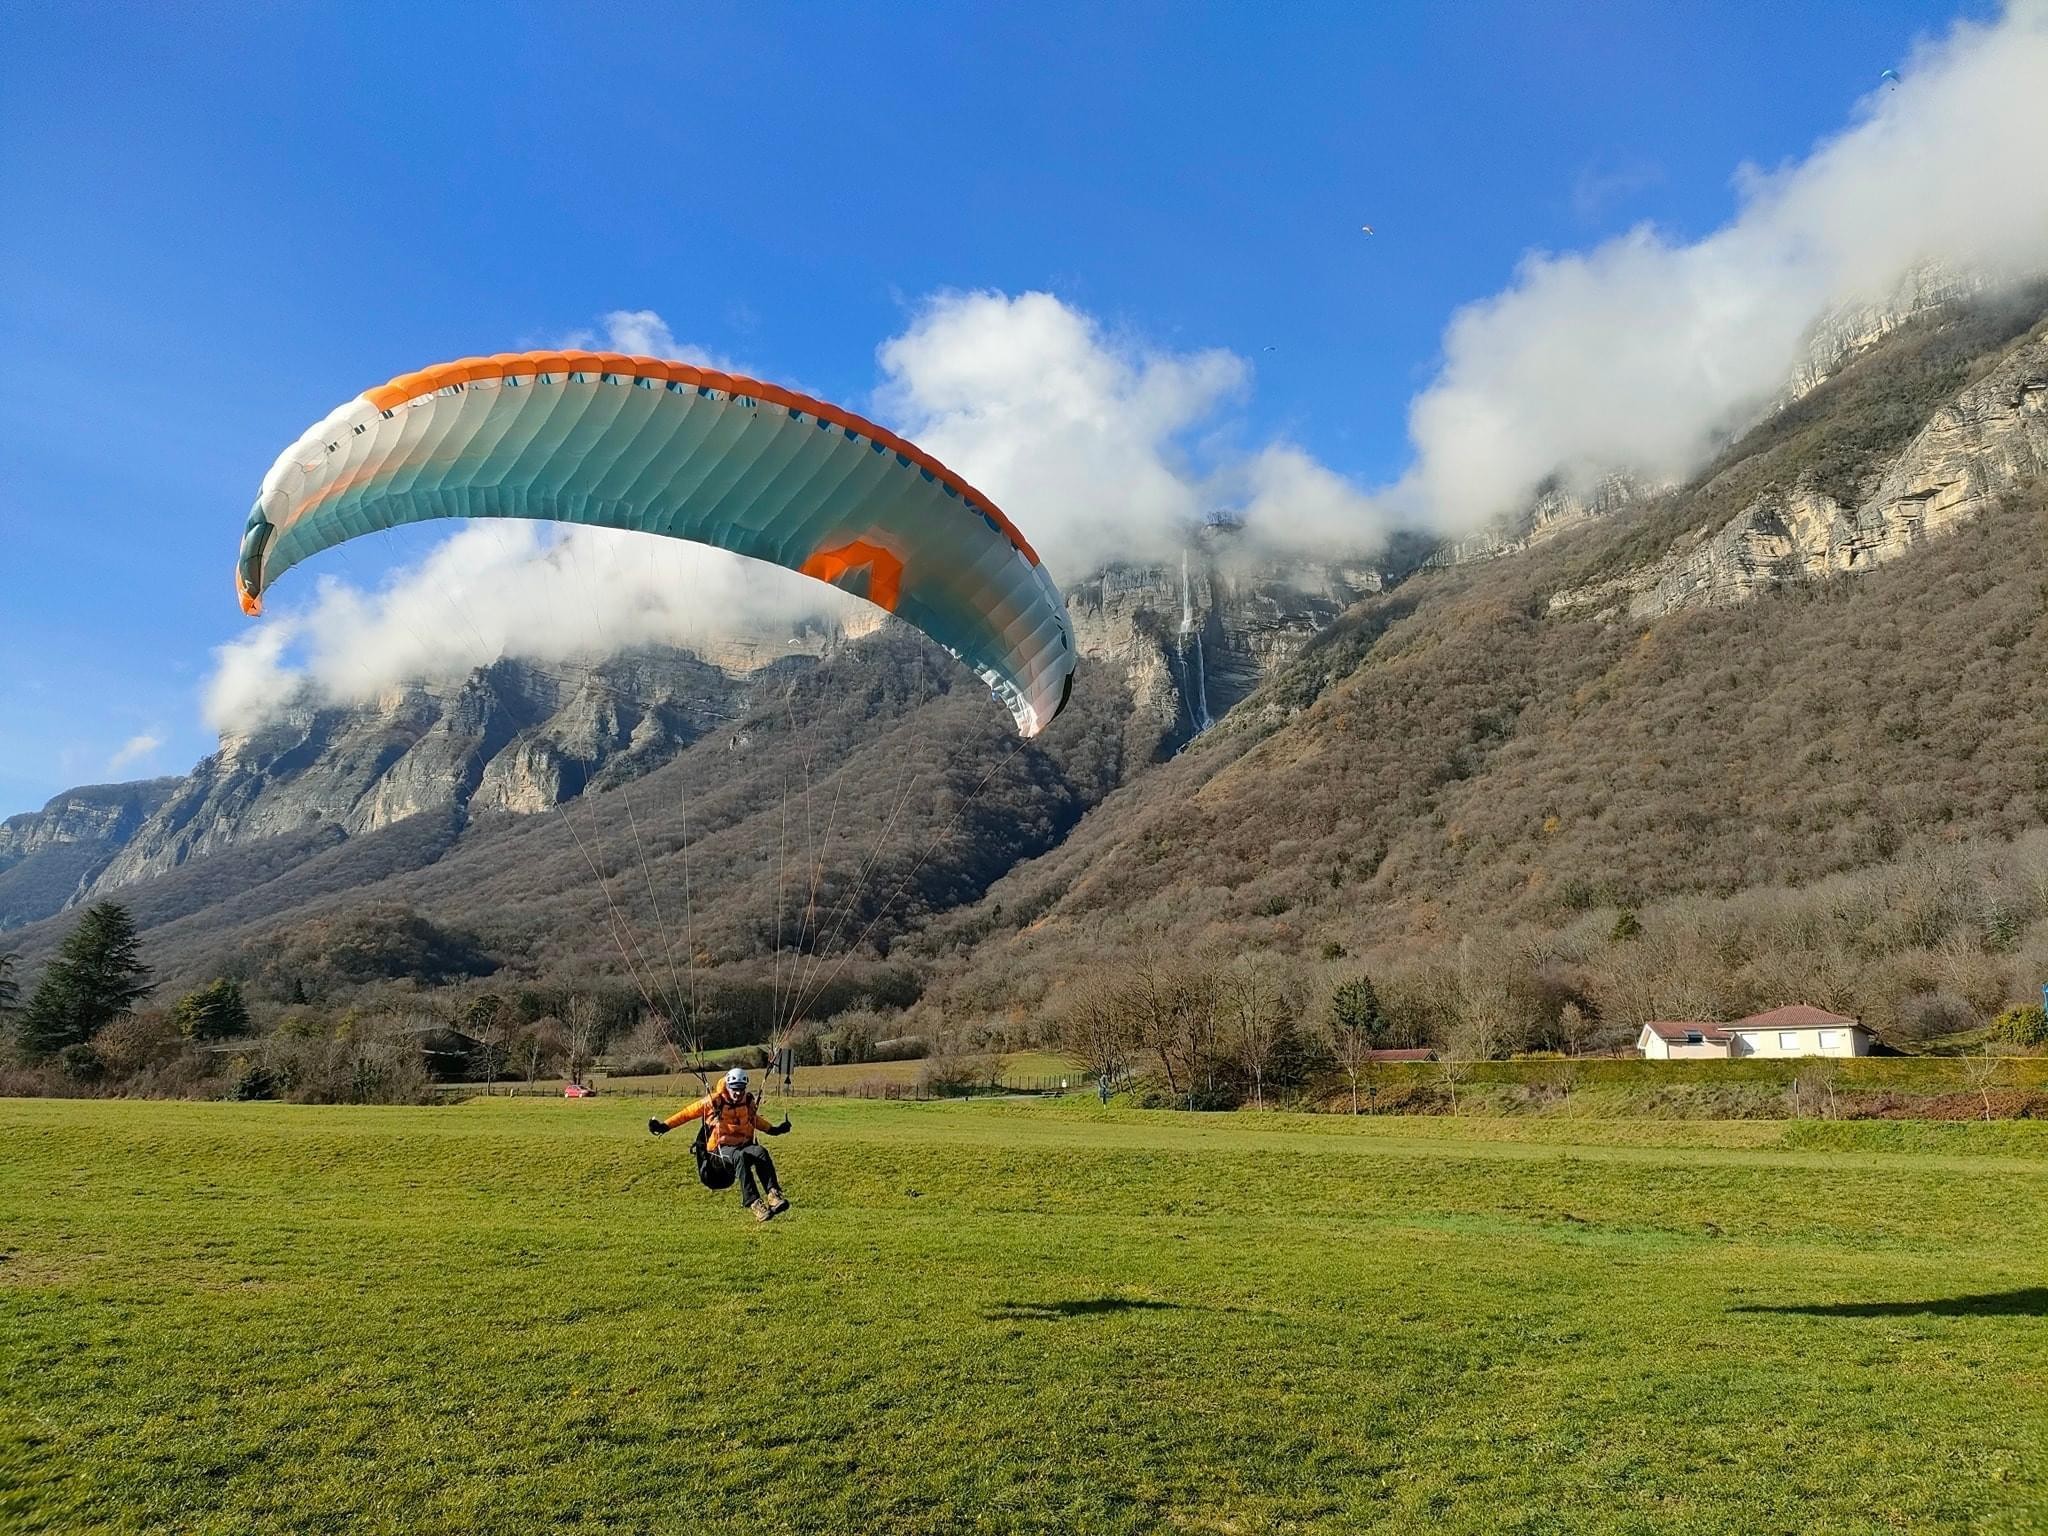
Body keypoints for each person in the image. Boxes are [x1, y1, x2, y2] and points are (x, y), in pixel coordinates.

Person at [650, 1067, 791, 1220]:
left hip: (743, 1144)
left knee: (760, 1152)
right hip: (718, 1150)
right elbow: (687, 1113)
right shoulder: (714, 1101)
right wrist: (664, 1126)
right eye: (734, 1089)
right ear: (728, 1086)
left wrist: (774, 1130)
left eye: (741, 1089)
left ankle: (773, 1195)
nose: (738, 1093)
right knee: (739, 1156)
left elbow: (754, 1120)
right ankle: (755, 1203)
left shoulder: (746, 1102)